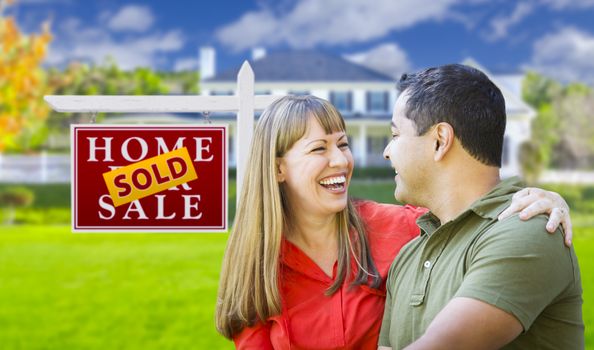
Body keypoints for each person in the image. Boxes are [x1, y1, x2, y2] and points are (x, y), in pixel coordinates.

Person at [215, 95, 573, 350]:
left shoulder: (400, 227)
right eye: (318, 149)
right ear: (278, 168)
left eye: (343, 144)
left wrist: (538, 198)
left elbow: (470, 215)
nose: (340, 161)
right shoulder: (258, 270)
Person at [379, 64, 584, 349]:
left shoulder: (530, 229)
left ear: (440, 140)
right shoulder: (408, 257)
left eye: (395, 135)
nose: (387, 152)